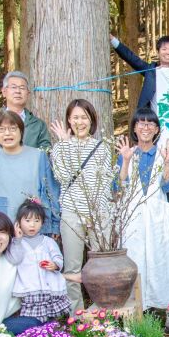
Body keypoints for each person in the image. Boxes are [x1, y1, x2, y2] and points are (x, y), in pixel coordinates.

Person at [110, 33, 169, 226]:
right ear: (158, 51)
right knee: (156, 166)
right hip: (153, 128)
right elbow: (131, 58)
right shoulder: (150, 70)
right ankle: (166, 206)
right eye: (164, 48)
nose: (167, 52)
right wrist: (114, 41)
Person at [116, 108, 169, 315]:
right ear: (134, 128)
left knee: (162, 259)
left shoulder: (163, 153)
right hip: (133, 216)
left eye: (150, 124)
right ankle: (135, 310)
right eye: (141, 123)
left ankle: (168, 309)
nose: (146, 127)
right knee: (133, 259)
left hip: (156, 215)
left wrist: (168, 161)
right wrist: (125, 160)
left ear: (156, 130)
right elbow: (118, 186)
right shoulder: (128, 153)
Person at [50, 99, 113, 312]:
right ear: (69, 120)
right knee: (72, 266)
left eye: (84, 117)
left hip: (97, 213)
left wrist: (102, 212)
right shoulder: (59, 148)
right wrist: (65, 144)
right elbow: (62, 176)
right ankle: (75, 315)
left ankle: (100, 310)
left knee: (101, 264)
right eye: (75, 117)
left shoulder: (101, 147)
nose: (80, 122)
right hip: (71, 213)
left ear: (91, 119)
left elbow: (105, 182)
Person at [0, 110, 60, 234]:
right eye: (1, 130)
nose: (7, 133)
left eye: (13, 128)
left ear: (21, 131)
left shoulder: (39, 156)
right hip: (1, 226)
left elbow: (51, 191)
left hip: (34, 225)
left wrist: (55, 225)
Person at [10, 199, 71, 322]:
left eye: (36, 221)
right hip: (30, 292)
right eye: (27, 221)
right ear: (18, 222)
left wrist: (55, 265)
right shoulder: (16, 243)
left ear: (42, 223)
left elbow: (58, 257)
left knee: (53, 321)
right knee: (33, 322)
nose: (32, 225)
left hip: (50, 291)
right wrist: (17, 240)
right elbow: (14, 260)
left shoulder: (48, 241)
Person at [0, 71, 51, 152]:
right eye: (13, 87)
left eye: (22, 88)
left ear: (28, 93)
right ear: (4, 92)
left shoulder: (39, 125)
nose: (18, 91)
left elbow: (45, 151)